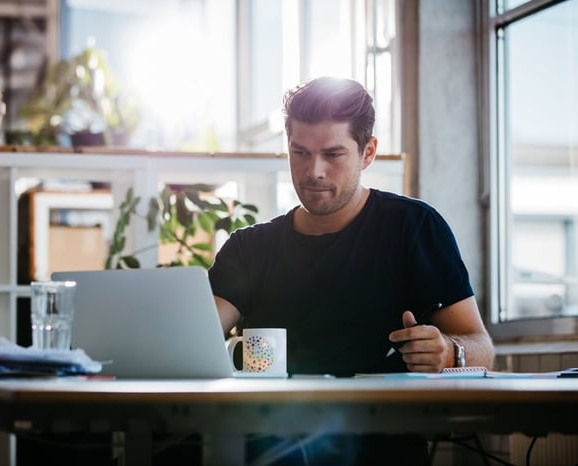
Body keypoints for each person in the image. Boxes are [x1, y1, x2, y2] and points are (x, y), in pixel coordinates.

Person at [208, 76, 495, 465]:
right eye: (300, 153)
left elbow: (482, 348)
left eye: (333, 154)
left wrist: (449, 351)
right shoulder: (249, 248)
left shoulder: (413, 227)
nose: (315, 172)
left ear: (368, 152)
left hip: (384, 450)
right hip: (271, 450)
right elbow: (199, 341)